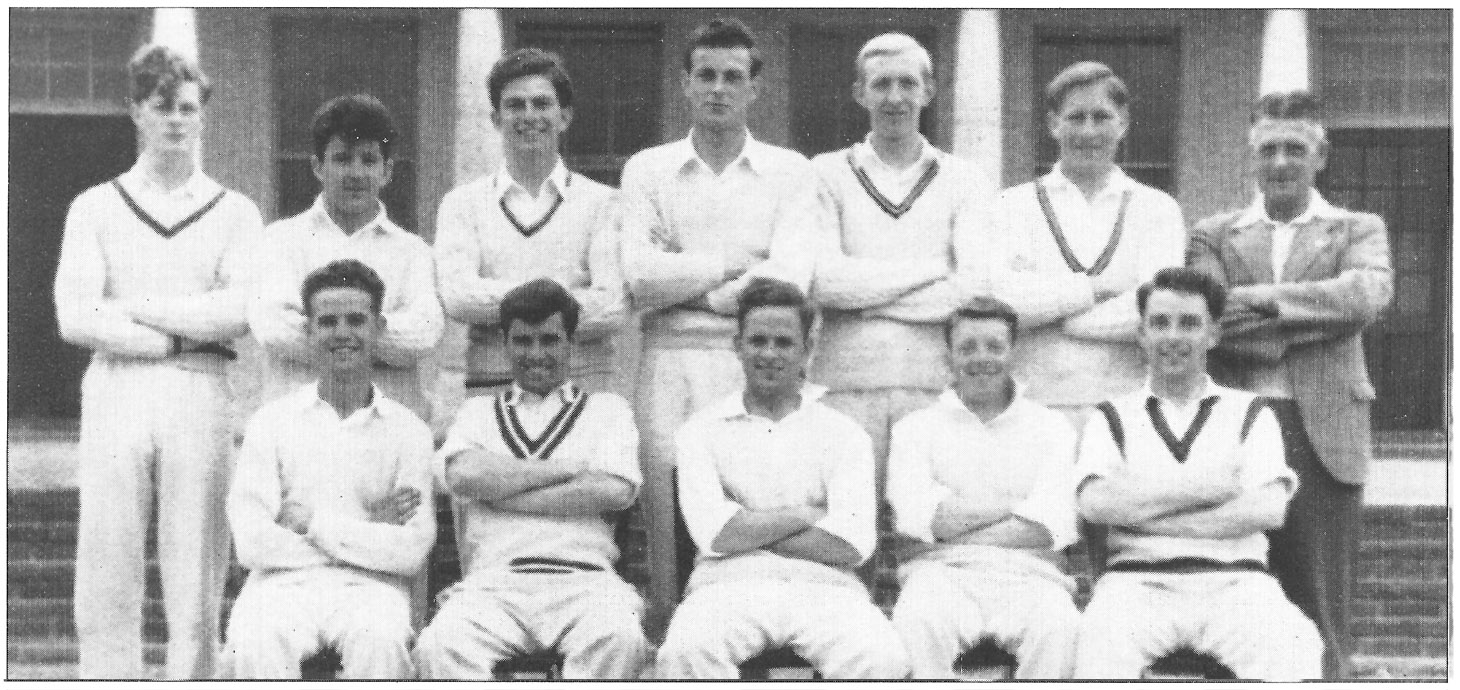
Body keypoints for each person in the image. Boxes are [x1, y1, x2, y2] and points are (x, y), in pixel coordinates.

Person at [52, 44, 264, 679]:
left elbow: (241, 311)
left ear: (203, 116)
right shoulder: (94, 206)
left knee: (195, 561)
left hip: (202, 390)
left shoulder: (235, 210)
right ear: (136, 112)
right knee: (108, 557)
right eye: (162, 106)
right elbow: (76, 317)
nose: (177, 120)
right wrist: (171, 336)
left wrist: (135, 309)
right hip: (119, 387)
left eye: (188, 107)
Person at [618, 17, 822, 635]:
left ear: (754, 88)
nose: (718, 88)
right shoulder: (647, 170)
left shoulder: (790, 172)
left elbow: (788, 282)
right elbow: (638, 275)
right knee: (667, 497)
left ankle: (753, 637)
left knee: (750, 494)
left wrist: (690, 286)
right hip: (668, 357)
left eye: (733, 77)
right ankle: (675, 630)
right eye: (705, 74)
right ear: (684, 82)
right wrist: (732, 268)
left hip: (752, 360)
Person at [1186, 91, 1392, 679]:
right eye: (1269, 149)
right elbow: (1209, 321)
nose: (1281, 161)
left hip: (1323, 429)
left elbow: (1366, 298)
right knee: (1236, 593)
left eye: (1295, 149)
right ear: (1252, 156)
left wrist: (1262, 301)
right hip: (1235, 423)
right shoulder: (1214, 234)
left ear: (1319, 155)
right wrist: (1314, 322)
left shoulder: (1356, 228)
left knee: (1321, 601)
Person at [808, 33, 990, 604]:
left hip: (932, 386)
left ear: (929, 91)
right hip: (843, 385)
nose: (894, 96)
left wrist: (863, 290)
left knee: (924, 542)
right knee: (846, 545)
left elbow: (976, 288)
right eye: (881, 84)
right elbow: (821, 281)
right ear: (859, 93)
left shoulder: (964, 179)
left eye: (907, 83)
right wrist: (931, 269)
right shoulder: (826, 173)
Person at [1072, 267, 1322, 680]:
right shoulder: (1111, 416)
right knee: (1096, 649)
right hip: (1136, 587)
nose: (1173, 336)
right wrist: (1208, 490)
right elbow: (1096, 504)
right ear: (1142, 334)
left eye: (1189, 324)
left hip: (1237, 585)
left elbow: (1267, 510)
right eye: (1160, 323)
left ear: (1213, 334)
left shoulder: (1252, 412)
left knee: (1294, 645)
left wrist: (1150, 515)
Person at [655, 278, 910, 679]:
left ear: (806, 349)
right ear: (737, 345)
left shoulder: (845, 434)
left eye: (784, 342)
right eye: (758, 341)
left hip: (827, 589)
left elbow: (852, 543)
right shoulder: (700, 431)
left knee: (883, 658)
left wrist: (748, 524)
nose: (769, 353)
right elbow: (715, 535)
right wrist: (810, 514)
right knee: (685, 652)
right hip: (728, 586)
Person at [414, 279, 648, 679]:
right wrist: (564, 468)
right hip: (493, 584)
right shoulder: (477, 412)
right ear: (505, 342)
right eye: (523, 341)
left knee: (620, 637)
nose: (536, 354)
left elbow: (612, 490)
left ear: (571, 343)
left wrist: (502, 491)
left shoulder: (608, 410)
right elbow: (464, 476)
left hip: (586, 583)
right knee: (439, 646)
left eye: (549, 340)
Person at [222, 259, 435, 679]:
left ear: (379, 328)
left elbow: (410, 552)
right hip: (280, 585)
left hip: (370, 588)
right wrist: (367, 529)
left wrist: (311, 523)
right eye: (328, 321)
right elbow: (252, 544)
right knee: (255, 644)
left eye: (356, 320)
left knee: (382, 643)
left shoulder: (409, 430)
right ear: (309, 330)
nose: (342, 334)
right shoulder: (271, 421)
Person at [431, 48, 627, 441]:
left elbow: (611, 306)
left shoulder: (605, 202)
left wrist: (507, 308)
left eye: (542, 103)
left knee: (574, 496)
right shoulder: (462, 203)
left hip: (584, 387)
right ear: (495, 118)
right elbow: (458, 298)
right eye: (514, 105)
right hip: (491, 387)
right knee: (497, 496)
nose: (528, 116)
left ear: (564, 116)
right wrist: (561, 301)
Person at [978, 61, 1187, 425]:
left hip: (1127, 408)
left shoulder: (1157, 208)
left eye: (1101, 117)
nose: (1089, 131)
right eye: (1076, 118)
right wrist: (1095, 289)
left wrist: (1057, 317)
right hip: (1031, 408)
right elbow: (1002, 304)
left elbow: (1156, 311)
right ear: (1053, 124)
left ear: (1123, 125)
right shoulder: (1012, 205)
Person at [886, 297, 1079, 679]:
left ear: (1013, 352)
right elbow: (920, 520)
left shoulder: (1053, 428)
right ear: (949, 356)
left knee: (1062, 629)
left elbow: (1048, 526)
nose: (981, 358)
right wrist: (1015, 506)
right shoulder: (914, 429)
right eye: (967, 347)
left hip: (1033, 575)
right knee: (914, 623)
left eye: (994, 346)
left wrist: (954, 523)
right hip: (939, 575)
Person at [248, 94, 442, 422]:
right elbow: (274, 328)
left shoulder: (413, 251)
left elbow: (423, 335)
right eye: (342, 158)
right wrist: (372, 334)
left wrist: (325, 332)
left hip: (387, 428)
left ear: (387, 171)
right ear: (317, 166)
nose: (355, 173)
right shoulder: (280, 240)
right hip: (299, 426)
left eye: (368, 160)